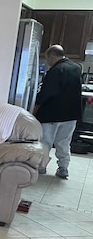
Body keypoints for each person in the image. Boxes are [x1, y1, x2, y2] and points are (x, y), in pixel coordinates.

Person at [33, 44, 82, 179]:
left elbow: (46, 93)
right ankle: (63, 168)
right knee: (64, 142)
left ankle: (41, 166)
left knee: (45, 142)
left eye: (48, 59)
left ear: (52, 56)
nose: (48, 62)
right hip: (71, 114)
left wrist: (35, 109)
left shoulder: (55, 70)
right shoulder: (76, 68)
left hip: (52, 114)